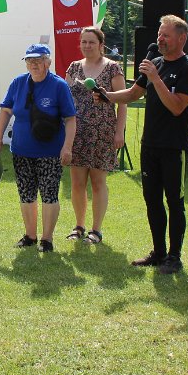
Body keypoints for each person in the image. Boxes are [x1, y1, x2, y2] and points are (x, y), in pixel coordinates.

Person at [97, 14, 188, 274]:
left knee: (174, 202)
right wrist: (107, 96)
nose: (160, 39)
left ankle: (174, 257)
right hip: (150, 145)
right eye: (159, 34)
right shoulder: (155, 63)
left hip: (174, 147)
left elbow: (177, 107)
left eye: (166, 35)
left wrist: (156, 79)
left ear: (182, 38)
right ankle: (158, 252)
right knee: (152, 200)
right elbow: (134, 93)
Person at [0, 44, 76, 252]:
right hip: (21, 150)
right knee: (26, 194)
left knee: (49, 194)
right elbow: (5, 111)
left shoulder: (59, 85)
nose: (33, 64)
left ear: (48, 62)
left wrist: (67, 147)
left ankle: (47, 239)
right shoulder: (18, 83)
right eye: (29, 60)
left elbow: (70, 119)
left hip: (50, 152)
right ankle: (30, 236)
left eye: (38, 60)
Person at [64, 27, 127, 245]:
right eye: (84, 42)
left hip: (103, 132)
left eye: (91, 42)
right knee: (77, 183)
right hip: (77, 133)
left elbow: (123, 102)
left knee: (98, 182)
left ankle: (96, 230)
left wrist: (119, 132)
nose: (87, 46)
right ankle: (79, 226)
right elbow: (64, 99)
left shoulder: (113, 68)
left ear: (101, 44)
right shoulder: (73, 67)